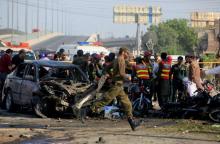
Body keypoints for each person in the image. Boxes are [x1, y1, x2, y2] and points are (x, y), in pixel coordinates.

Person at [90, 47, 142, 131]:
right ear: (123, 52)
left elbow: (106, 68)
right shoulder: (120, 59)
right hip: (117, 86)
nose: (127, 55)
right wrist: (127, 78)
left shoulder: (116, 59)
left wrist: (112, 76)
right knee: (106, 100)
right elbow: (122, 73)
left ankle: (132, 123)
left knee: (128, 104)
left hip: (119, 86)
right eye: (127, 53)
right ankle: (89, 108)